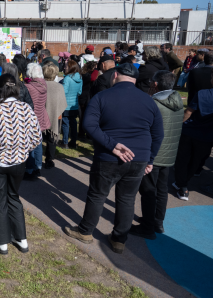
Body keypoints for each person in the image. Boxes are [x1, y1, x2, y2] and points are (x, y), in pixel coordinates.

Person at [64, 63, 163, 254]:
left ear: (115, 75)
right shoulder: (149, 101)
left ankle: (85, 231)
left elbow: (88, 125)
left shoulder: (102, 96)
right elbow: (158, 134)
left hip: (108, 157)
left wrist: (113, 145)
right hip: (138, 157)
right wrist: (150, 159)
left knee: (98, 194)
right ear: (134, 80)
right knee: (127, 198)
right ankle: (119, 239)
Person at [0, 73, 42, 255]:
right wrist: (22, 149)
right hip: (19, 162)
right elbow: (36, 138)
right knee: (13, 197)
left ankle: (2, 242)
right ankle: (22, 239)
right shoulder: (26, 109)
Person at [129, 71, 182, 239]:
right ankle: (157, 222)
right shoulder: (178, 100)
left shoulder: (154, 104)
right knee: (161, 189)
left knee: (148, 190)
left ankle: (147, 227)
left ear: (156, 85)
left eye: (152, 82)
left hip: (154, 154)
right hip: (169, 154)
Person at [172, 71, 213, 201]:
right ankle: (183, 183)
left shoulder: (202, 93)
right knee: (196, 161)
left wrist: (178, 127)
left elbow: (188, 112)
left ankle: (182, 185)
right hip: (207, 136)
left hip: (190, 131)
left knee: (182, 159)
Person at [23, 63, 50, 179]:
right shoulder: (43, 84)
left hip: (30, 118)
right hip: (40, 117)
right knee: (38, 143)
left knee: (29, 145)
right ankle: (38, 167)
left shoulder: (28, 87)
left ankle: (29, 169)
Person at [42, 64, 67, 169]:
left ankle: (37, 160)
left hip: (41, 116)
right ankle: (49, 160)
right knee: (52, 139)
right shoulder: (59, 86)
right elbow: (63, 103)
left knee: (40, 138)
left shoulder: (40, 85)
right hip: (56, 116)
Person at [59, 60, 83, 149]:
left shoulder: (67, 78)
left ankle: (65, 142)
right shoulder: (80, 78)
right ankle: (73, 142)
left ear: (70, 68)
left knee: (65, 123)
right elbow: (79, 92)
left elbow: (63, 92)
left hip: (66, 105)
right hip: (75, 104)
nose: (64, 67)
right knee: (73, 123)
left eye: (66, 66)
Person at [78, 61, 96, 139]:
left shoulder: (84, 75)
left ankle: (83, 133)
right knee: (83, 117)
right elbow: (93, 78)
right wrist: (97, 70)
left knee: (83, 117)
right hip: (85, 98)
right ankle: (83, 134)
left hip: (84, 98)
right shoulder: (87, 76)